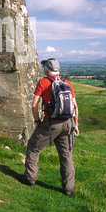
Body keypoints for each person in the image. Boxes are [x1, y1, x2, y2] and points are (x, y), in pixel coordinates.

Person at [24, 58, 79, 196]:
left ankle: (30, 179)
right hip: (68, 123)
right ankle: (69, 189)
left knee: (33, 147)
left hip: (51, 123)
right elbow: (75, 106)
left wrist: (37, 121)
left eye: (44, 68)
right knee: (66, 155)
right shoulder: (67, 83)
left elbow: (34, 104)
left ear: (47, 70)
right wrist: (76, 124)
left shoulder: (43, 82)